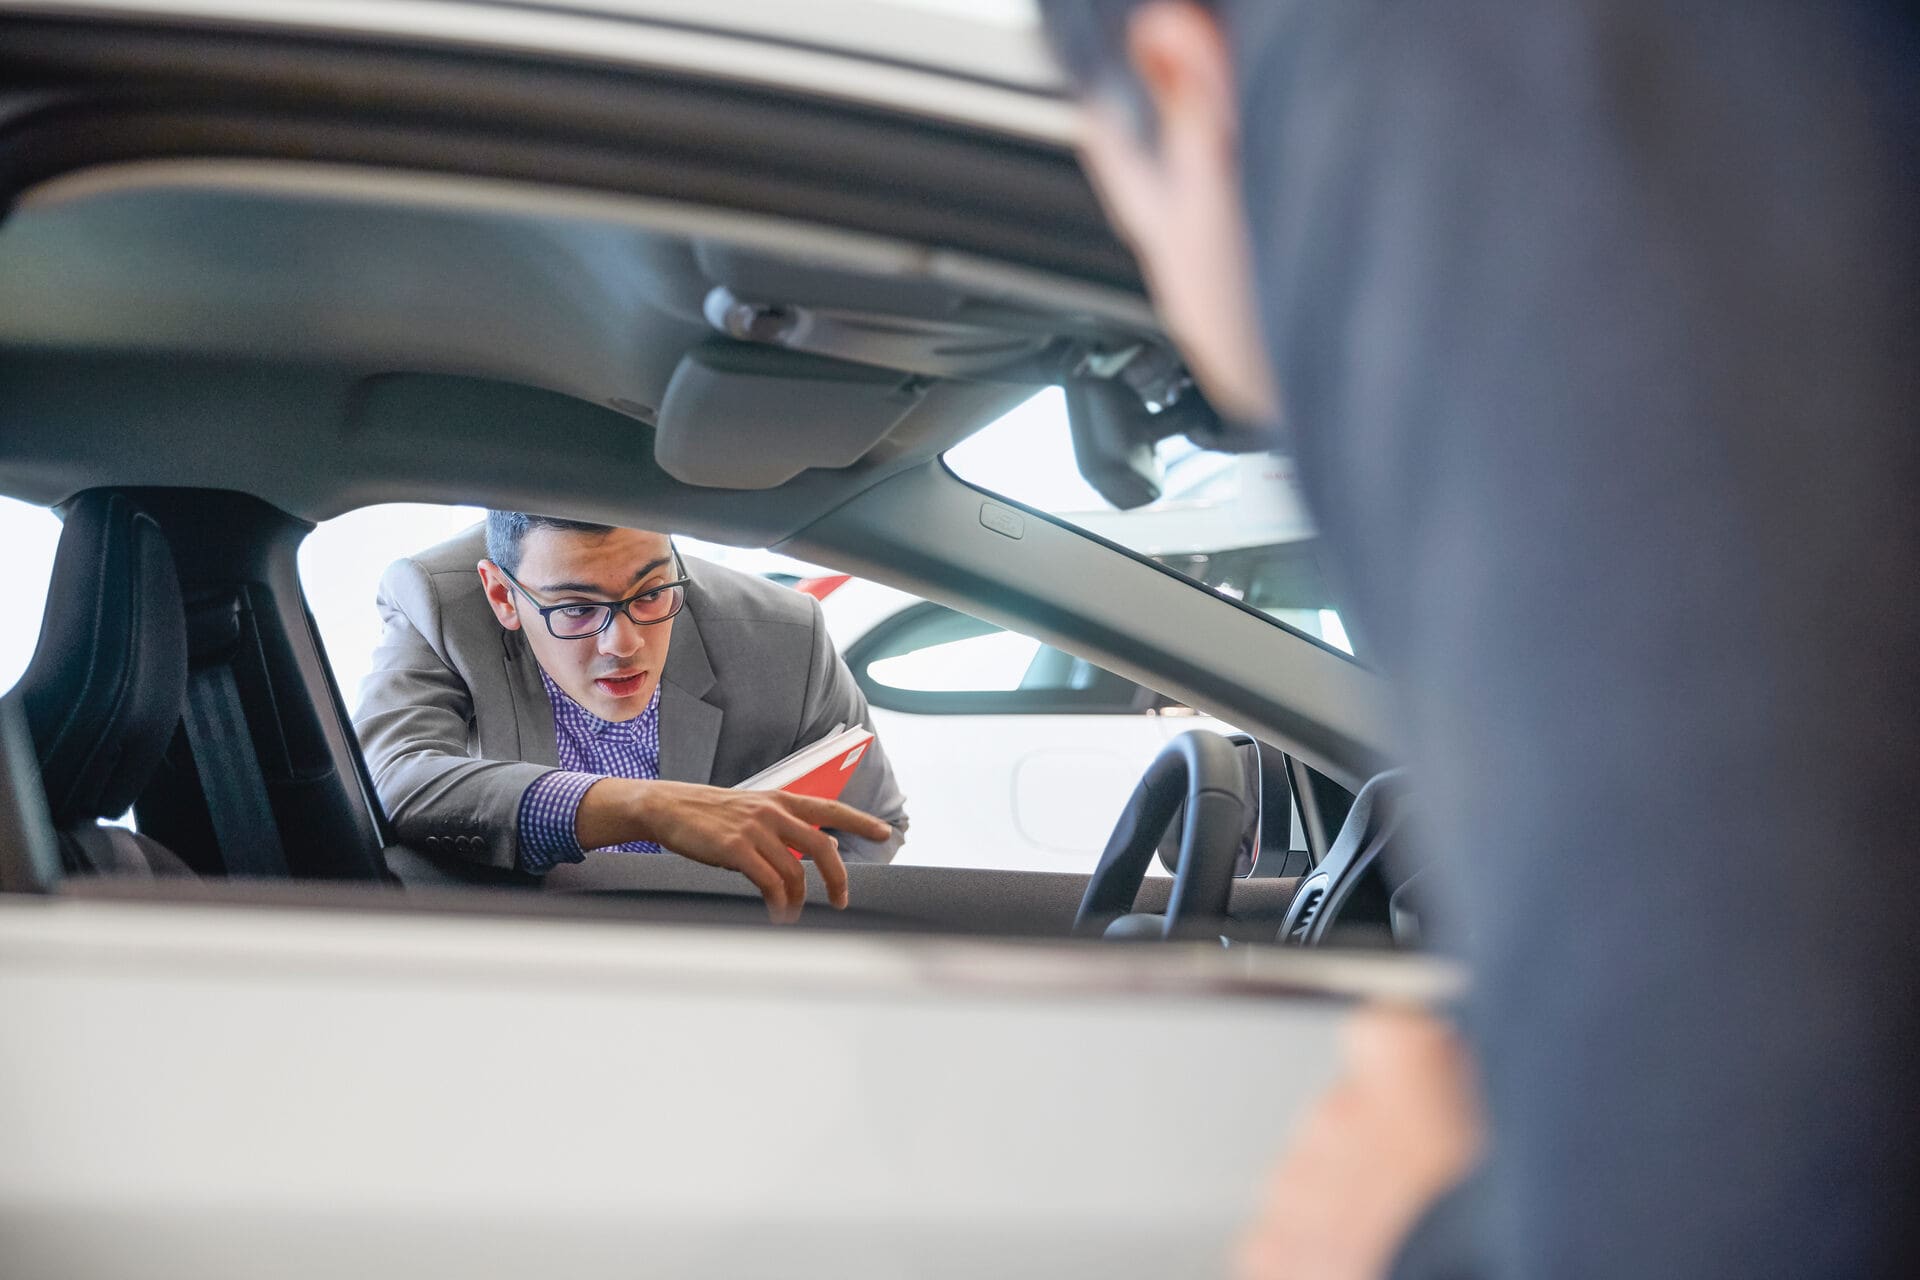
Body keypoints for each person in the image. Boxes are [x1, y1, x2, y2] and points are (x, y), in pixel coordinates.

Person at [1035, 2, 1920, 1279]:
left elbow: (1752, 1151)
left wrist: (1415, 1232)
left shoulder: (1465, 115)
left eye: (1121, 210)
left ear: (1180, 79)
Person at [355, 511, 907, 921]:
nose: (624, 643)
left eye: (650, 594)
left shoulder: (786, 635)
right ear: (502, 596)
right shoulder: (437, 603)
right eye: (575, 608)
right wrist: (645, 808)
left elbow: (872, 829)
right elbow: (393, 778)